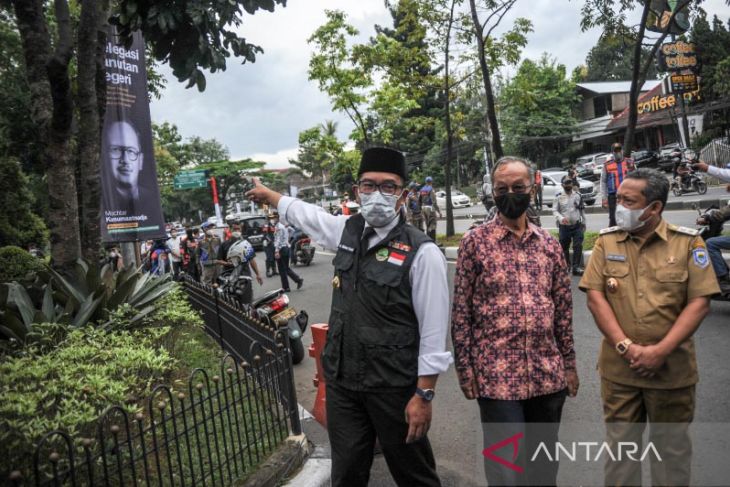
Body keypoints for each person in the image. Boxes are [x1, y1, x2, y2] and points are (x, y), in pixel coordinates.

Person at [246, 147, 452, 487]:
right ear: (357, 191)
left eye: (389, 186)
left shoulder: (422, 252)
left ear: (402, 194)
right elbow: (305, 214)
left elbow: (433, 333)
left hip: (394, 389)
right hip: (344, 384)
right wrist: (271, 195)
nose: (377, 194)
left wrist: (424, 395)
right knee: (346, 474)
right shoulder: (348, 230)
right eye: (369, 185)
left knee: (415, 475)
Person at [579, 168, 719, 487]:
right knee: (620, 456)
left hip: (671, 373)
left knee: (671, 457)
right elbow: (596, 298)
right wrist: (626, 348)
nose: (620, 207)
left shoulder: (687, 244)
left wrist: (659, 351)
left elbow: (699, 303)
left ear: (654, 208)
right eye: (620, 200)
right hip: (620, 373)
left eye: (629, 201)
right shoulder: (607, 242)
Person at [451, 156, 578, 487]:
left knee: (542, 470)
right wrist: (466, 371)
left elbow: (563, 310)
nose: (510, 193)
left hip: (547, 378)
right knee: (506, 471)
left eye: (518, 187)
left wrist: (569, 366)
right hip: (497, 379)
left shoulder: (549, 245)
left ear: (532, 188)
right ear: (492, 192)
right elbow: (461, 312)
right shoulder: (474, 243)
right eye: (502, 188)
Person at [553, 175, 586, 276]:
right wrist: (561, 218)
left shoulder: (578, 195)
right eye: (566, 183)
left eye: (570, 182)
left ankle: (576, 267)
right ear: (562, 185)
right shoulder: (558, 196)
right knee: (564, 247)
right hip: (564, 226)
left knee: (578, 245)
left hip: (576, 225)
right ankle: (566, 266)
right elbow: (554, 210)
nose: (569, 185)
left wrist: (584, 222)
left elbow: (582, 209)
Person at [601, 142, 635, 227]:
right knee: (613, 218)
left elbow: (637, 178)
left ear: (622, 150)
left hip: (628, 194)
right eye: (616, 151)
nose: (618, 152)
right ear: (612, 153)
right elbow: (603, 182)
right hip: (613, 196)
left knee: (630, 216)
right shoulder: (607, 165)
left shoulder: (629, 162)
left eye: (619, 150)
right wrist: (604, 199)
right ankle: (613, 237)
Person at [271, 211, 303, 292]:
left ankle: (292, 284)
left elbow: (278, 240)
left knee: (283, 269)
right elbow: (291, 230)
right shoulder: (283, 226)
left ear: (277, 218)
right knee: (285, 268)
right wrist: (287, 239)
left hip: (282, 249)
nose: (272, 219)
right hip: (285, 248)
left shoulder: (279, 227)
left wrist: (276, 251)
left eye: (273, 218)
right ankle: (288, 286)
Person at [419, 176, 441, 241]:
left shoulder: (422, 189)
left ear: (426, 182)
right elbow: (434, 202)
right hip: (430, 208)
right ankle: (433, 241)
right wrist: (439, 211)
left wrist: (421, 209)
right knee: (432, 225)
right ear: (431, 182)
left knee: (427, 225)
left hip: (423, 208)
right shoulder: (431, 189)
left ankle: (428, 240)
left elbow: (419, 200)